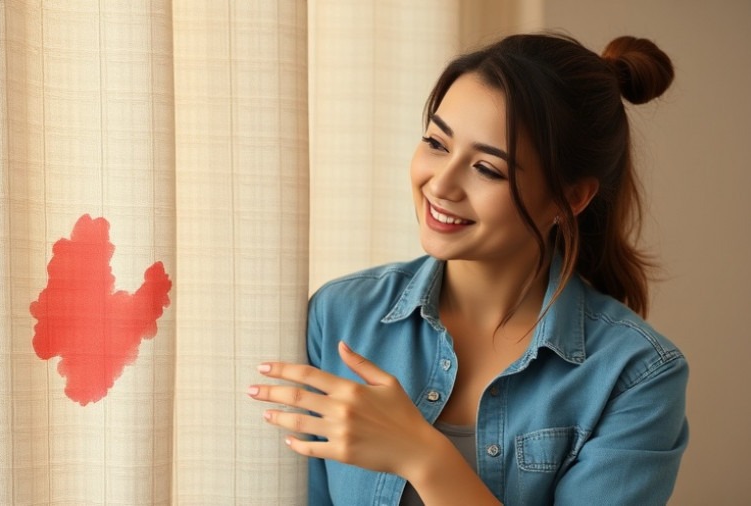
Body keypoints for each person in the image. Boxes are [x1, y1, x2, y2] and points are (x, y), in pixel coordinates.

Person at [248, 32, 688, 505]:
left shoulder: (637, 374)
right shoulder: (340, 316)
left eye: (487, 169)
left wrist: (421, 455)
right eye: (437, 143)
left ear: (571, 197)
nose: (441, 183)